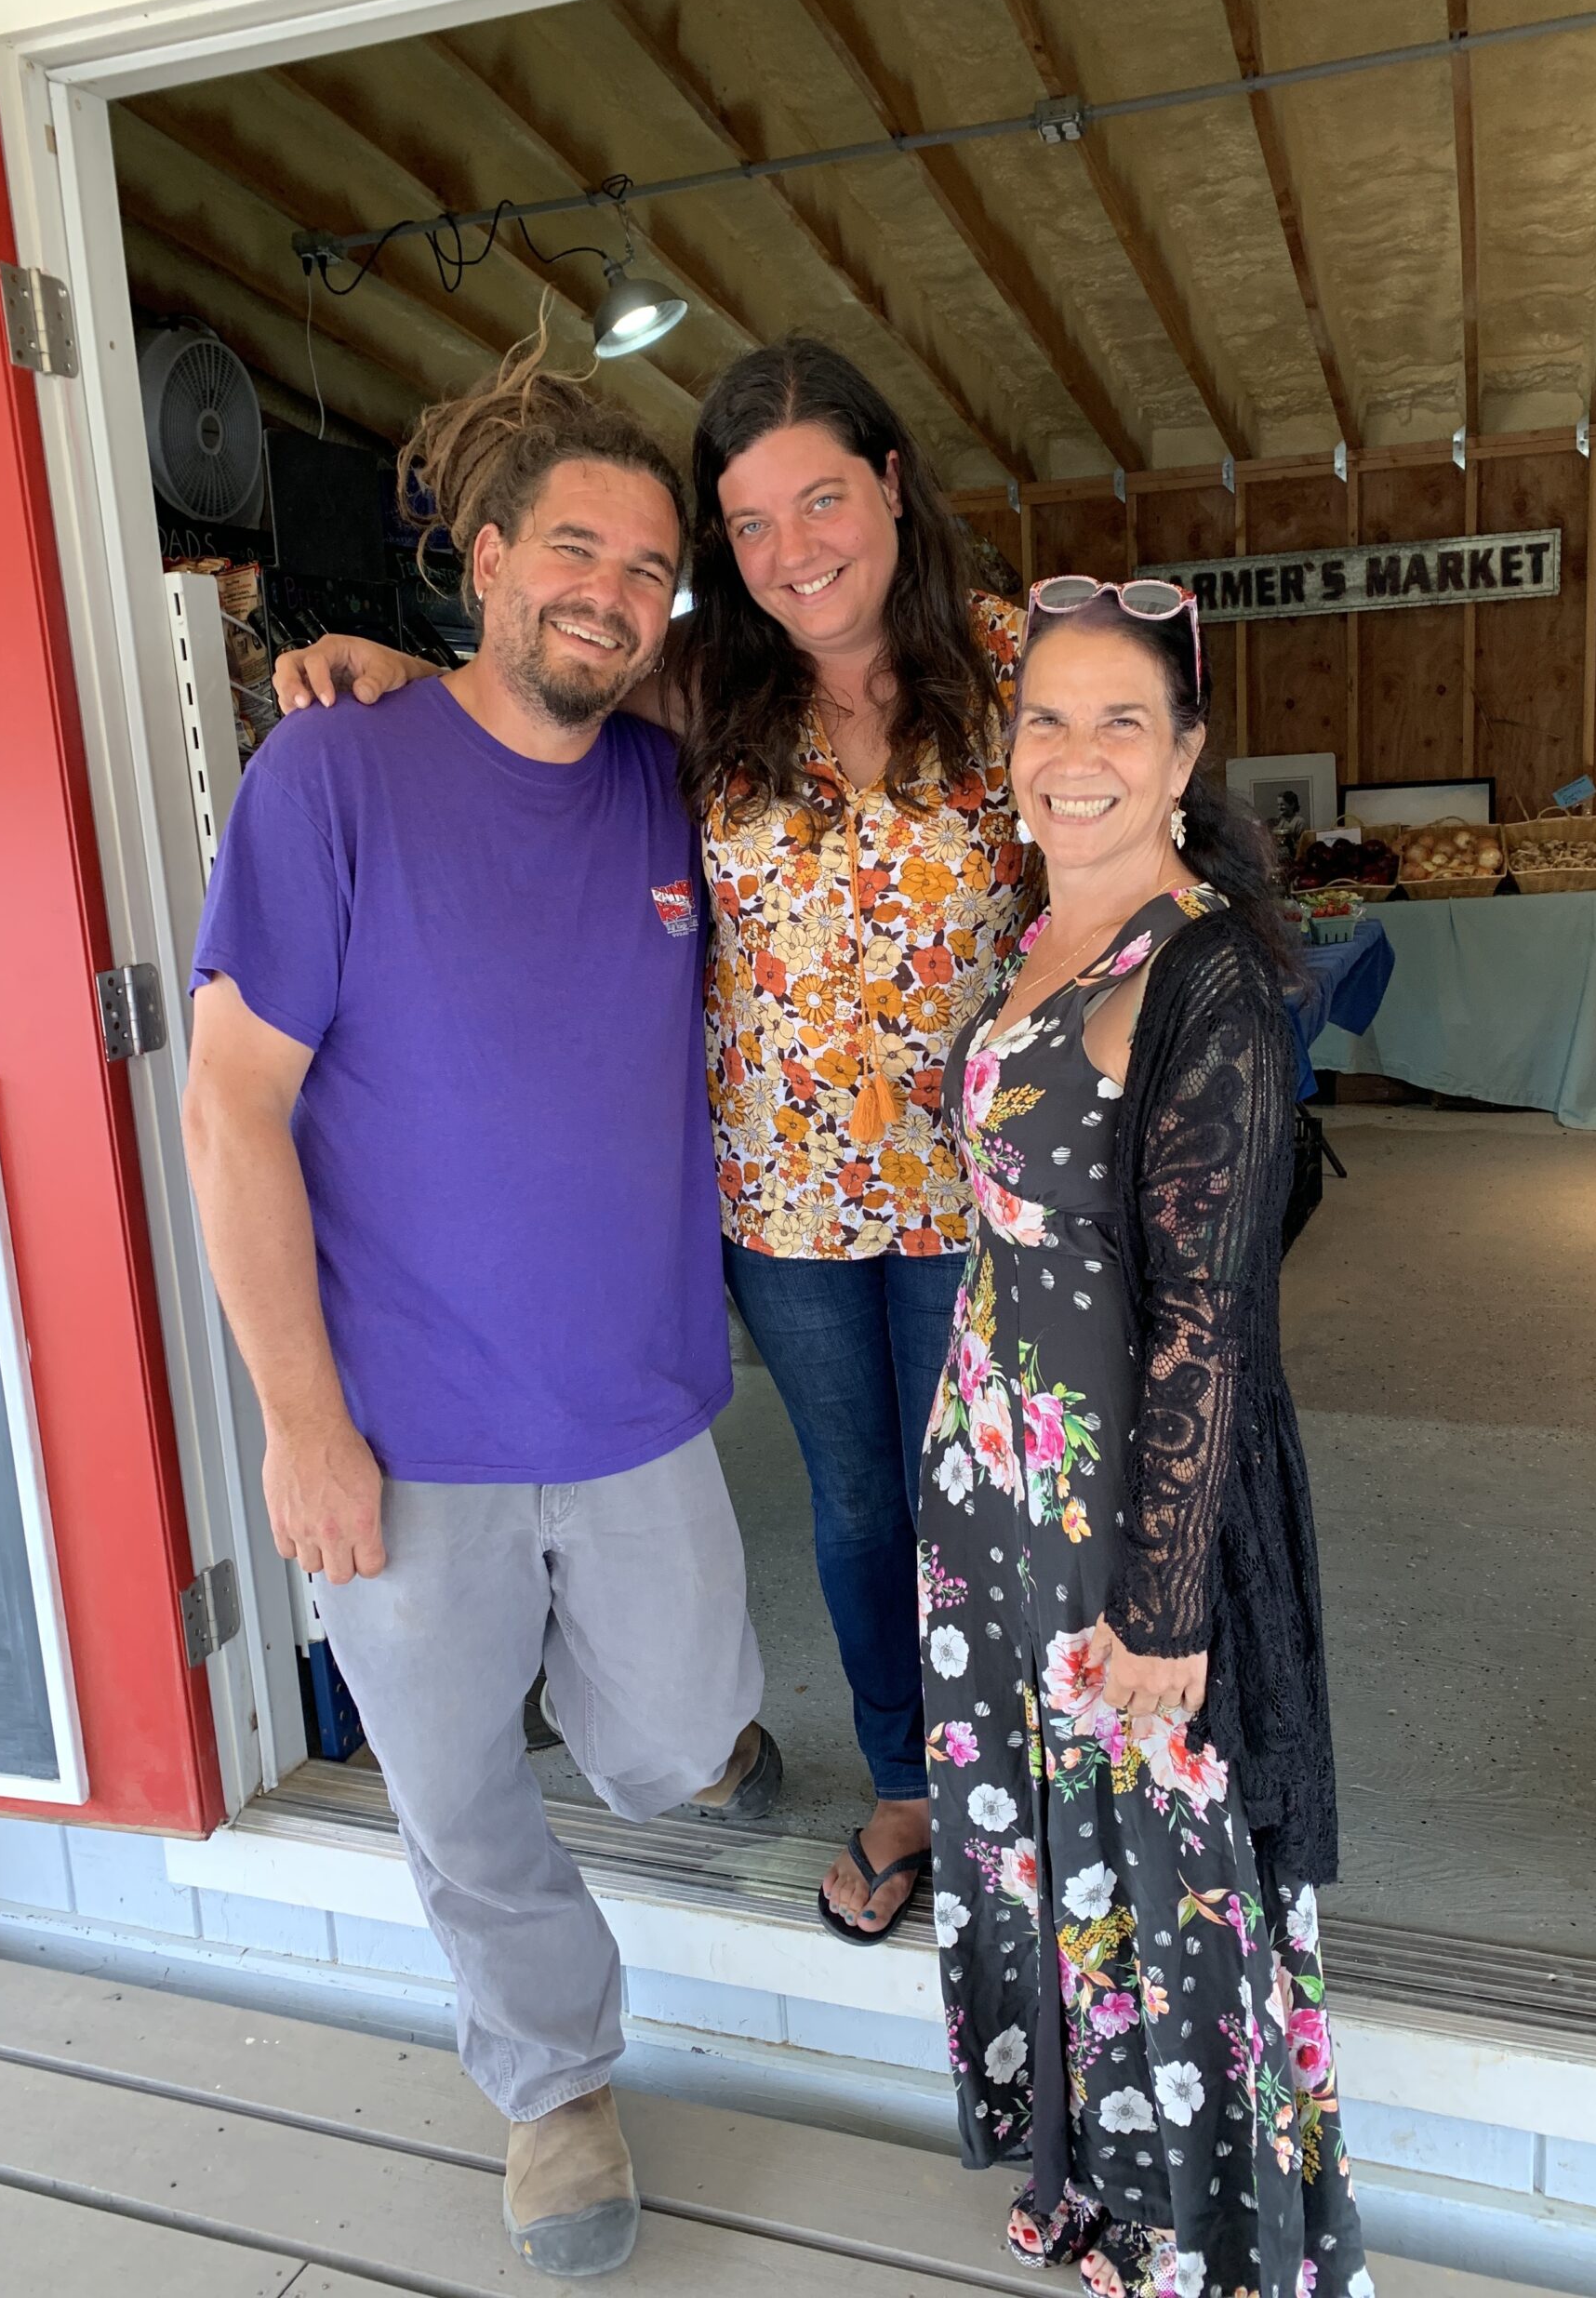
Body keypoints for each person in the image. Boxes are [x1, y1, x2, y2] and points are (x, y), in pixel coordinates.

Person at [273, 338, 1031, 1945]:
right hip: (784, 1202)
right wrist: (395, 682)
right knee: (858, 1504)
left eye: (821, 498)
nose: (792, 548)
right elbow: (537, 691)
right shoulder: (712, 688)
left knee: (985, 1494)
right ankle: (906, 1781)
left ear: (891, 484)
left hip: (986, 1193)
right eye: (748, 525)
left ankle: (1010, 1790)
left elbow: (1121, 839)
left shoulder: (1013, 662)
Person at [185, 343, 780, 2282]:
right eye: (579, 548)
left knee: (685, 1736)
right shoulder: (332, 770)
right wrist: (299, 1423)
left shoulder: (667, 787)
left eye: (652, 566)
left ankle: (610, 1699)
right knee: (455, 1802)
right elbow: (232, 1103)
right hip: (407, 1427)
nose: (612, 587)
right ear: (494, 551)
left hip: (635, 1403)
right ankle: (555, 2085)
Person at [921, 578, 1371, 2298]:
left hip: (1129, 1509)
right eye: (1048, 717)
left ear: (1185, 754)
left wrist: (1168, 1599)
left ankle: (1206, 2237)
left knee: (1166, 1871)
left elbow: (1207, 1319)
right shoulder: (1036, 934)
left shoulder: (1208, 984)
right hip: (1003, 1487)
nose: (1078, 754)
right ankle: (1100, 2181)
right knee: (1059, 1848)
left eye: (1125, 720)